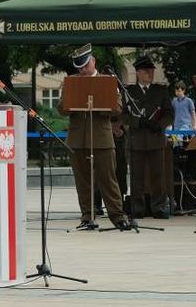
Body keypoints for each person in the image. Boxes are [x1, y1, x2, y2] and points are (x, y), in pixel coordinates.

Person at [60, 44, 131, 231]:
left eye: (85, 66)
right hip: (77, 138)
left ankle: (117, 216)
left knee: (108, 179)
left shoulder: (107, 81)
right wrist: (73, 101)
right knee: (82, 180)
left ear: (93, 61)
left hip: (101, 138)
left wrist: (97, 102)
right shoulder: (71, 82)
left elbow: (117, 108)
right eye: (79, 68)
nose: (82, 70)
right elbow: (61, 108)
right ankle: (87, 216)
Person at [123, 56, 174, 218]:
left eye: (151, 71)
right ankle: (137, 208)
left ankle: (158, 207)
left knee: (158, 175)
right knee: (137, 176)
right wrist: (138, 122)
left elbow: (169, 113)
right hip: (136, 140)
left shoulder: (160, 91)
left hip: (155, 138)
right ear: (138, 73)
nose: (150, 74)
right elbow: (123, 115)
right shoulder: (129, 92)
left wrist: (159, 125)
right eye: (146, 71)